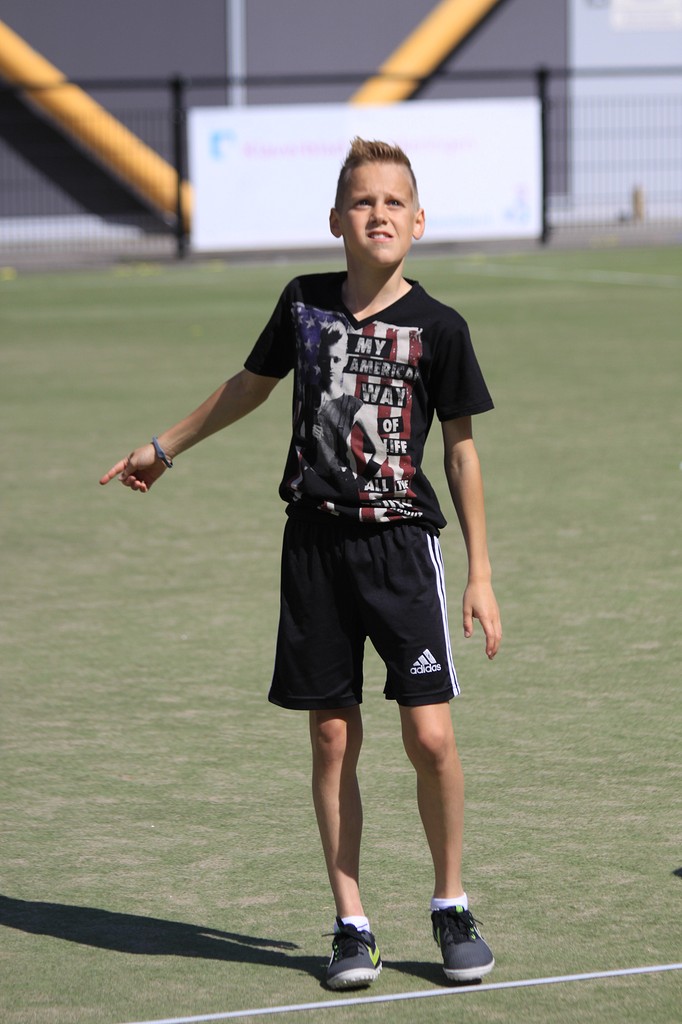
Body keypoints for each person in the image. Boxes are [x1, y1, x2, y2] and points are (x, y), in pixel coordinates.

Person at [100, 137, 502, 990]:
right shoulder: (303, 303)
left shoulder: (441, 327)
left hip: (402, 551)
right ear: (335, 220)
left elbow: (461, 452)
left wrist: (480, 572)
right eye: (362, 201)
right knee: (330, 736)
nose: (378, 213)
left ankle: (451, 902)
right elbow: (250, 385)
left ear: (418, 222)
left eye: (393, 201)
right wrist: (163, 448)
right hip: (315, 548)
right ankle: (352, 924)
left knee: (431, 738)